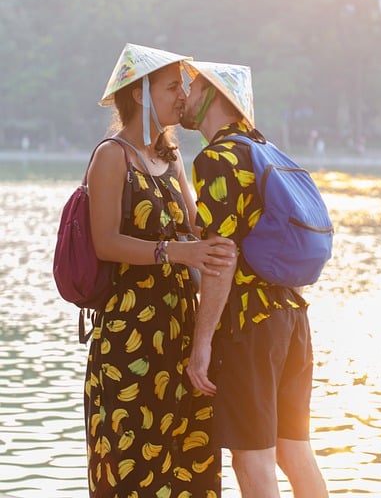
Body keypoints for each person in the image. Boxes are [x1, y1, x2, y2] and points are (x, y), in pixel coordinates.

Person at [84, 43, 236, 498]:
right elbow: (104, 242)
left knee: (191, 466)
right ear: (139, 94)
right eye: (172, 86)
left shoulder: (171, 159)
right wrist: (175, 253)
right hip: (130, 338)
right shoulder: (112, 156)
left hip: (179, 334)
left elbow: (196, 228)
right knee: (135, 469)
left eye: (185, 87)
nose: (183, 96)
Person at [180, 60, 329, 498]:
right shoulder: (266, 150)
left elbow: (221, 258)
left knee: (252, 458)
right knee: (294, 452)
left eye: (191, 88)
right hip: (291, 318)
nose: (184, 98)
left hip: (250, 325)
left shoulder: (217, 158)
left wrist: (202, 341)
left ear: (211, 95)